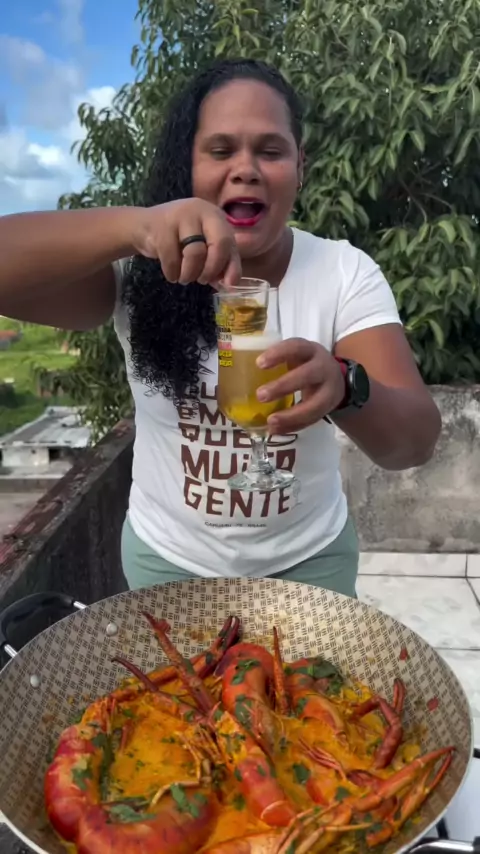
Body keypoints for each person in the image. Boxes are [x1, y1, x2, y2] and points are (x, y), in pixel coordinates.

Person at [0, 59, 441, 598]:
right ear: (187, 166)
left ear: (300, 166)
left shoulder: (343, 273)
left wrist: (346, 386)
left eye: (271, 151)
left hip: (308, 563)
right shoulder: (137, 272)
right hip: (168, 562)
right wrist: (136, 225)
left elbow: (413, 445)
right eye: (220, 150)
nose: (245, 169)